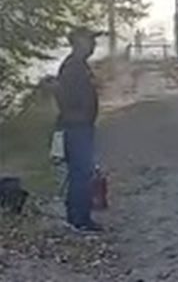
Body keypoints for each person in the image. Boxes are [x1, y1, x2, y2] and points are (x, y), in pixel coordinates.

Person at [54, 27, 102, 232]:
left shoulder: (78, 66)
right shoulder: (73, 67)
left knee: (82, 171)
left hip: (80, 124)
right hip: (77, 125)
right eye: (90, 40)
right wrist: (77, 115)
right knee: (81, 172)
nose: (93, 45)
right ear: (78, 42)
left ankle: (79, 216)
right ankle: (79, 219)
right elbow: (63, 96)